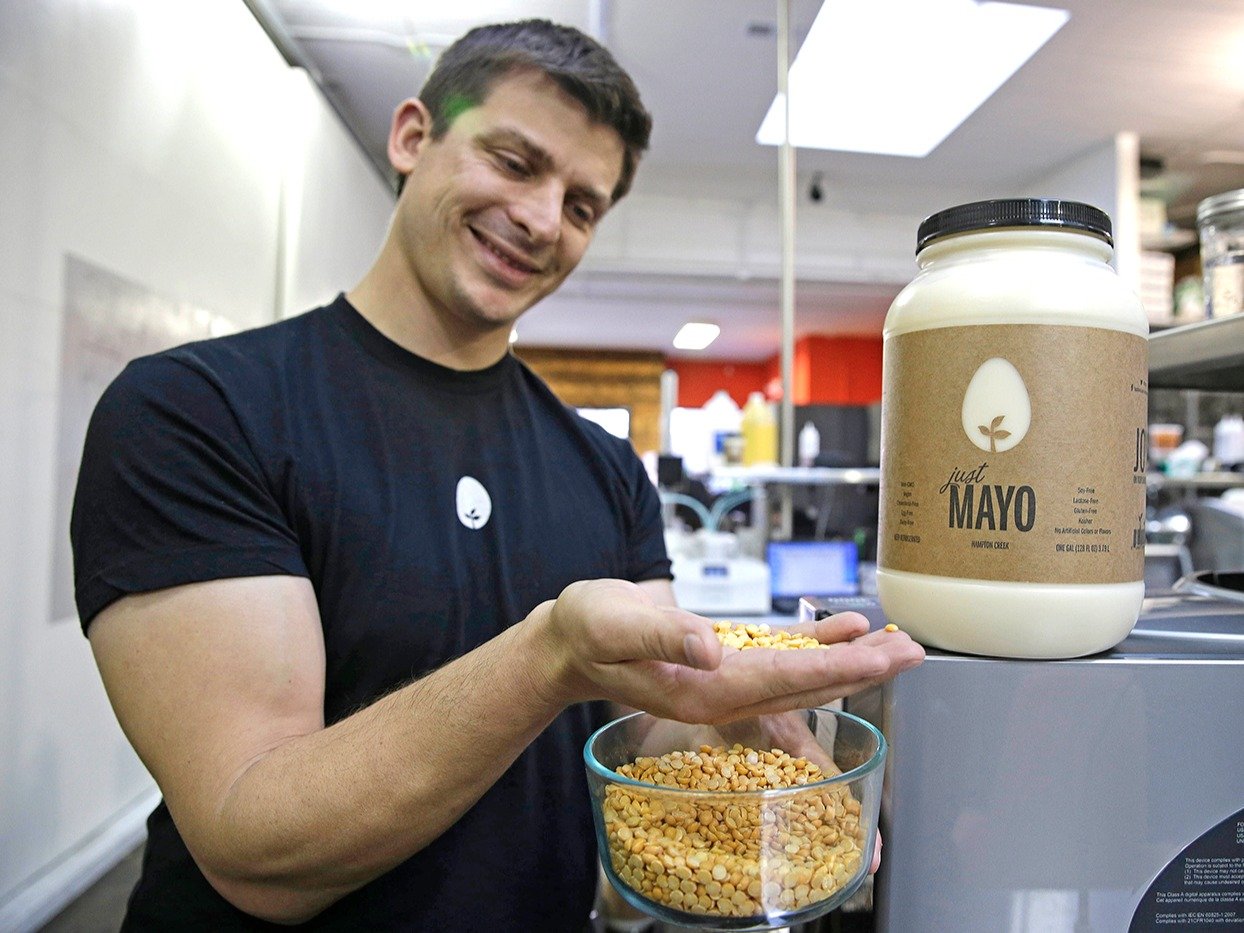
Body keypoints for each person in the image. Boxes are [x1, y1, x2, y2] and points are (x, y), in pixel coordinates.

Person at [71, 19, 924, 932]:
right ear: (412, 137)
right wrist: (544, 656)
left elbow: (641, 724)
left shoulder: (602, 469)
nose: (543, 219)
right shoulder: (199, 411)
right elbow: (255, 843)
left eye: (583, 205)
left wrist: (740, 720)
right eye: (515, 162)